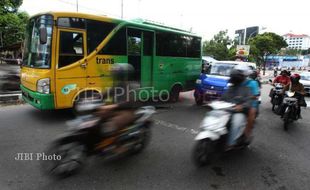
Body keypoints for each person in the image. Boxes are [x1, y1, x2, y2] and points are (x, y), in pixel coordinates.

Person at [96, 63, 142, 134]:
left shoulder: (133, 86)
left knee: (111, 126)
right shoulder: (118, 85)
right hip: (116, 109)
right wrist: (95, 97)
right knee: (98, 117)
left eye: (117, 75)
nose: (115, 77)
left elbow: (128, 102)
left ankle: (118, 143)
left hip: (128, 111)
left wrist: (112, 106)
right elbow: (108, 92)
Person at [221, 66, 253, 148]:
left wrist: (241, 106)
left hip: (239, 112)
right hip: (227, 110)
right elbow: (222, 98)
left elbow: (249, 101)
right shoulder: (229, 88)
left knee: (236, 122)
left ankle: (230, 143)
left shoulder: (247, 89)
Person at [243, 70, 260, 136]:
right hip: (242, 101)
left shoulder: (255, 82)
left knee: (250, 117)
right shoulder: (243, 82)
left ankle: (247, 133)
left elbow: (256, 94)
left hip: (251, 103)